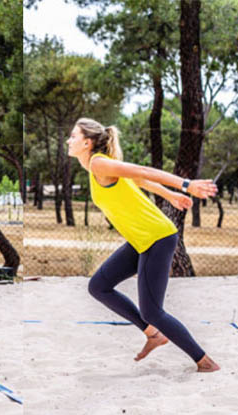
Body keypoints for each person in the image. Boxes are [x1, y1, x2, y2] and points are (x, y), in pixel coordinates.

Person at [67, 118, 220, 372]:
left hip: (156, 238)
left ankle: (205, 362)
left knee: (152, 311)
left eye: (73, 136)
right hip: (142, 241)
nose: (68, 141)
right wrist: (169, 195)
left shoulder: (99, 163)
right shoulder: (97, 167)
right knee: (99, 286)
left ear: (87, 142)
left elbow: (143, 171)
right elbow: (137, 181)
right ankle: (153, 335)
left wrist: (186, 185)